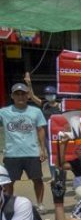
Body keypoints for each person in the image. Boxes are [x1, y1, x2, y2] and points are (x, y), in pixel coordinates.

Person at [0, 83, 47, 212]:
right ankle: (8, 204)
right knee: (8, 182)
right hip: (12, 154)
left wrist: (42, 149)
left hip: (32, 152)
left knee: (37, 180)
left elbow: (41, 129)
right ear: (12, 96)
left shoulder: (36, 111)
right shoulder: (3, 112)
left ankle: (40, 203)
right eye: (17, 94)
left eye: (23, 93)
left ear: (28, 96)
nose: (20, 96)